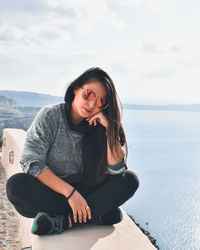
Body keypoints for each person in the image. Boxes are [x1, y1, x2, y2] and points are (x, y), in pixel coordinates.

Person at [6, 67, 139, 236]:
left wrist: (109, 130)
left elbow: (117, 171)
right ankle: (95, 215)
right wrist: (70, 193)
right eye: (89, 94)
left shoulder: (101, 126)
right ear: (76, 88)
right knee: (16, 185)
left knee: (129, 180)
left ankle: (66, 221)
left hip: (86, 192)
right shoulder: (51, 116)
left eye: (101, 102)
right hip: (53, 192)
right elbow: (30, 161)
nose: (92, 104)